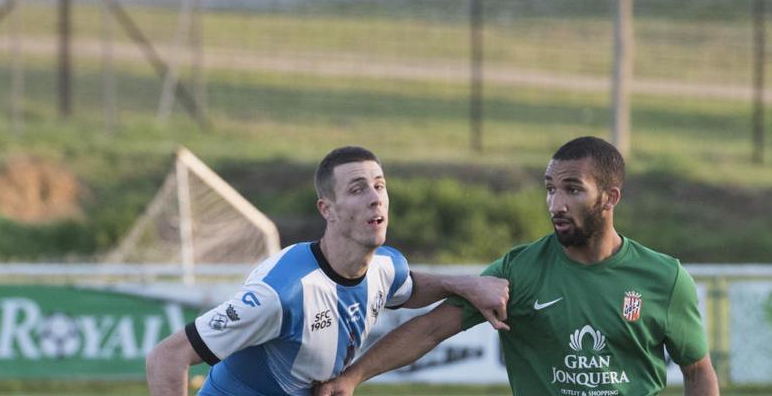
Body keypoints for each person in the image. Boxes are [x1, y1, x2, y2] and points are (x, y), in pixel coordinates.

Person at [315, 136, 720, 396]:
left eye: (572, 190)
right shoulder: (518, 270)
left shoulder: (664, 278)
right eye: (550, 189)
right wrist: (352, 377)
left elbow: (698, 372)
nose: (556, 204)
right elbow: (432, 327)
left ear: (610, 197)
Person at [146, 146, 509, 396]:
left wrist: (465, 285)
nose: (375, 197)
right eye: (357, 189)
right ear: (327, 209)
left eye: (380, 185)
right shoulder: (280, 294)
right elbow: (167, 356)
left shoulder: (385, 267)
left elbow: (409, 288)